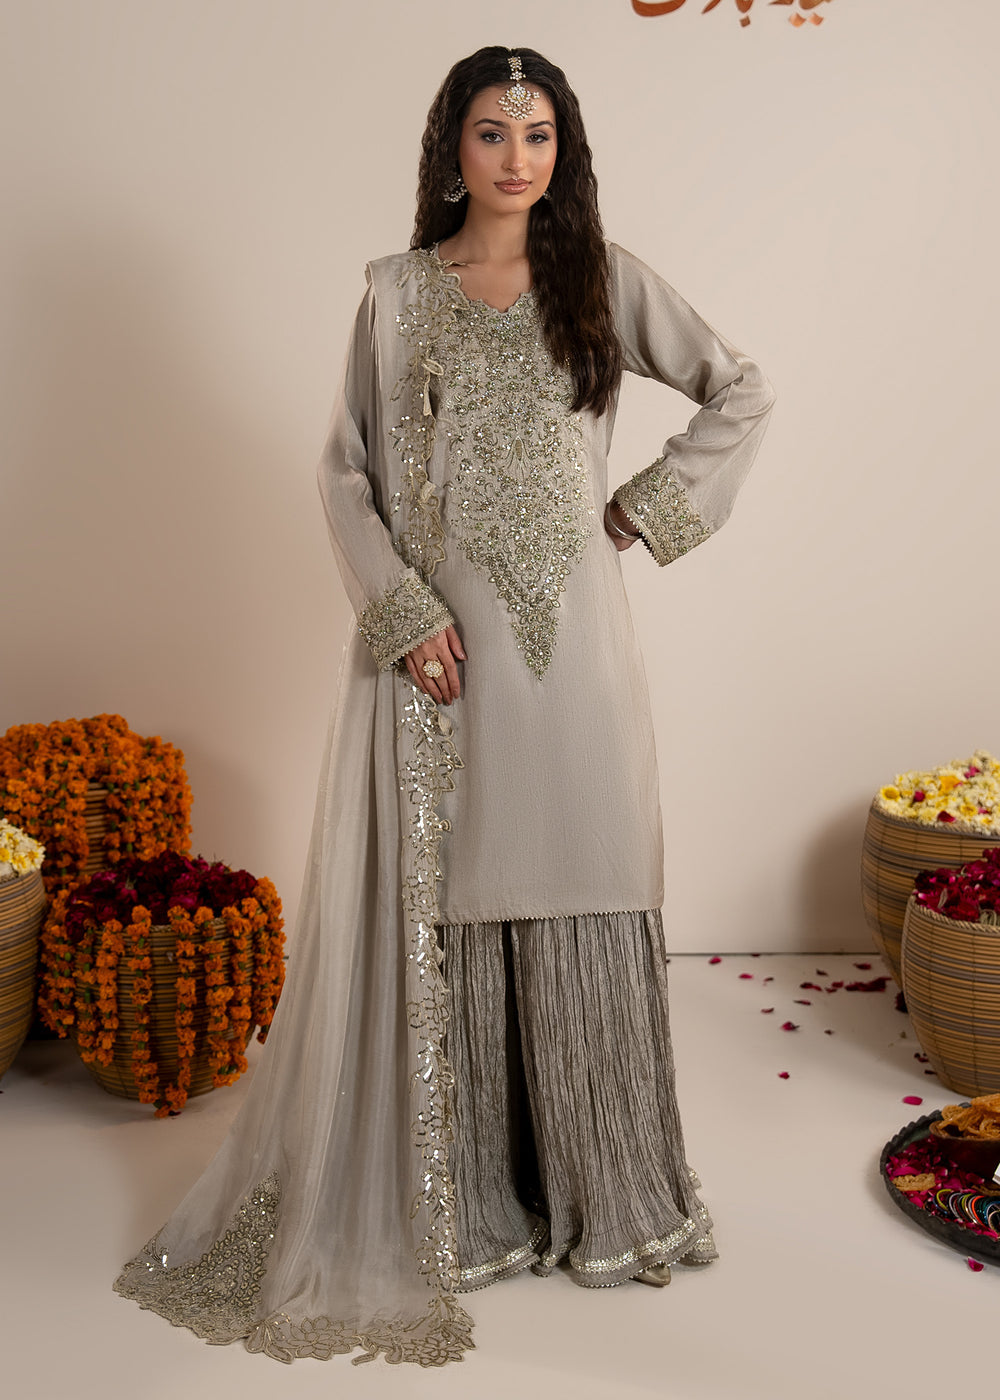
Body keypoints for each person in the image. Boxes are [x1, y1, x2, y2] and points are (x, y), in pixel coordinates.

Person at [112, 46, 774, 1368]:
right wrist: (403, 612)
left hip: (576, 655)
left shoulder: (605, 280)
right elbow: (346, 469)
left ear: (562, 148)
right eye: (491, 131)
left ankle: (608, 1199)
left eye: (537, 132)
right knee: (464, 893)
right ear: (452, 149)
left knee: (585, 874)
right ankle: (467, 1204)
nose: (515, 156)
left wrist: (641, 513)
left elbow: (740, 388)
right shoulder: (399, 298)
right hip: (445, 664)